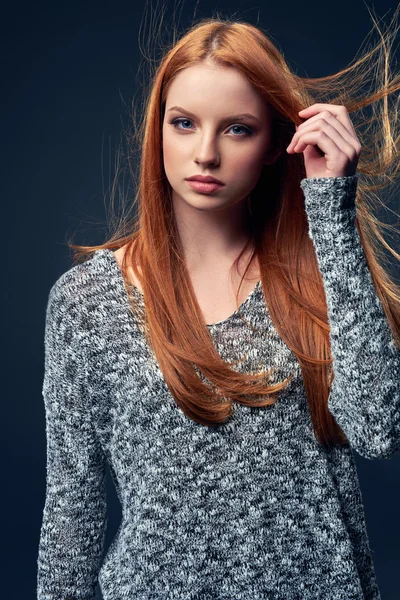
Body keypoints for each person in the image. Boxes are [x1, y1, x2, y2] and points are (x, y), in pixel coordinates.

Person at [37, 15, 400, 600]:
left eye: (236, 129)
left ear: (274, 142)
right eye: (184, 124)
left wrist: (331, 211)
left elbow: (378, 431)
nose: (204, 153)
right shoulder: (86, 303)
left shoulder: (317, 275)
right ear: (158, 130)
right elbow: (71, 511)